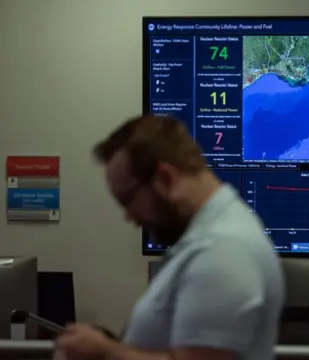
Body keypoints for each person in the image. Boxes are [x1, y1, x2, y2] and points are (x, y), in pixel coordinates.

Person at [55, 115, 285, 360]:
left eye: (127, 200)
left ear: (166, 178)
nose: (129, 217)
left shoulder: (223, 251)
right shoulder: (205, 239)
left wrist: (105, 352)